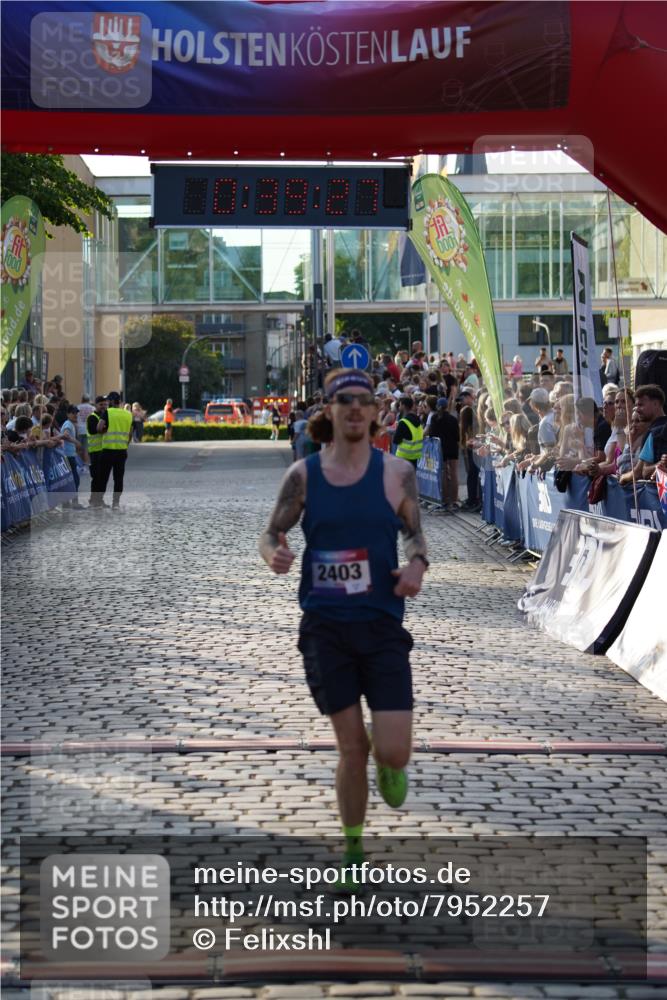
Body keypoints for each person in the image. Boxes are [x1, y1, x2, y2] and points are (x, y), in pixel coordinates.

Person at [258, 368, 428, 883]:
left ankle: (390, 762)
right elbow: (270, 532)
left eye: (365, 400)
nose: (356, 408)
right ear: (328, 410)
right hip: (326, 628)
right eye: (345, 400)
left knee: (392, 748)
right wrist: (274, 554)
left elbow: (416, 537)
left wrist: (417, 566)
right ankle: (352, 852)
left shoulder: (396, 473)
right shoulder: (304, 475)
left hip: (380, 623)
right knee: (351, 747)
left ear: (377, 412)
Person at [99, 391, 132, 510]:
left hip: (108, 450)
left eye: (108, 400)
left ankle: (100, 500)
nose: (107, 402)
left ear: (112, 401)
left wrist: (104, 431)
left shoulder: (107, 412)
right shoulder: (128, 414)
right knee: (118, 478)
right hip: (122, 451)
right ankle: (116, 503)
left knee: (103, 477)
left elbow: (99, 427)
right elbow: (130, 434)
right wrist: (124, 444)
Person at [428, 397, 459, 510]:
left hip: (441, 448)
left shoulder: (435, 418)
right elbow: (457, 436)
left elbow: (431, 434)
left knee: (444, 474)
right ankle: (454, 500)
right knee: (454, 474)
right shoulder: (453, 419)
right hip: (452, 448)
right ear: (447, 407)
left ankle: (445, 500)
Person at [60, 405, 86, 509]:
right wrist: (76, 442)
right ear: (68, 414)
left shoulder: (70, 423)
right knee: (75, 479)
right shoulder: (68, 424)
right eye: (73, 413)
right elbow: (66, 435)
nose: (75, 415)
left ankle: (67, 502)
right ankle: (73, 502)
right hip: (68, 455)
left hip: (70, 454)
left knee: (71, 479)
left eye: (76, 413)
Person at [87, 396, 108, 508]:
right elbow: (94, 430)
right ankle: (94, 500)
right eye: (101, 405)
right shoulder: (92, 417)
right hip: (95, 452)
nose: (103, 407)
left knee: (103, 477)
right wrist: (104, 428)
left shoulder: (105, 416)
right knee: (96, 477)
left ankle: (99, 499)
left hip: (104, 451)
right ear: (96, 405)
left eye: (105, 404)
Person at [393, 395, 424, 468]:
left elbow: (396, 440)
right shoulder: (418, 419)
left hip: (403, 456)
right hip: (415, 456)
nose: (399, 407)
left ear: (403, 406)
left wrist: (396, 430)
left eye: (400, 405)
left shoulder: (403, 422)